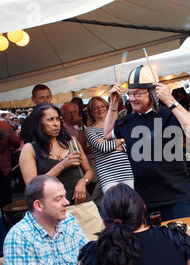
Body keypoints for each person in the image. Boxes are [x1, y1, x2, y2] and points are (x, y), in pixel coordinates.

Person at [104, 65, 190, 221]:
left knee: (179, 243)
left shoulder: (168, 114)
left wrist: (171, 100)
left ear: (151, 93)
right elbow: (107, 134)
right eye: (130, 93)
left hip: (176, 197)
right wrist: (113, 104)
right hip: (145, 200)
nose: (131, 98)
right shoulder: (127, 121)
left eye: (137, 94)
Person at [19, 103, 104, 240]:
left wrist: (83, 181)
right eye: (50, 120)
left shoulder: (71, 142)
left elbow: (88, 171)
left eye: (57, 119)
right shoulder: (30, 149)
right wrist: (61, 165)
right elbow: (32, 186)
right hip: (55, 213)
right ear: (38, 123)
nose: (55, 124)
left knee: (99, 248)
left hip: (84, 206)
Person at [2, 175, 88, 265]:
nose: (67, 202)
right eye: (58, 199)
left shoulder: (68, 221)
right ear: (38, 205)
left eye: (64, 196)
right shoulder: (19, 236)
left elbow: (88, 253)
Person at [85, 96, 134, 193]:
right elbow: (103, 147)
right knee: (114, 205)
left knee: (131, 203)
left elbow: (130, 145)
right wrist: (122, 141)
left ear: (107, 108)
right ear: (91, 112)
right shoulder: (90, 130)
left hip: (126, 170)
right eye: (96, 108)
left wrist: (121, 141)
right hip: (108, 175)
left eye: (102, 106)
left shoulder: (117, 125)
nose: (100, 109)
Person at [61, 102, 103, 207]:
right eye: (68, 113)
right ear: (62, 116)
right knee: (104, 174)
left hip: (94, 158)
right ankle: (95, 203)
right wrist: (80, 127)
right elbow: (81, 148)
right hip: (83, 162)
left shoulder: (81, 125)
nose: (72, 115)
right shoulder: (63, 129)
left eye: (74, 112)